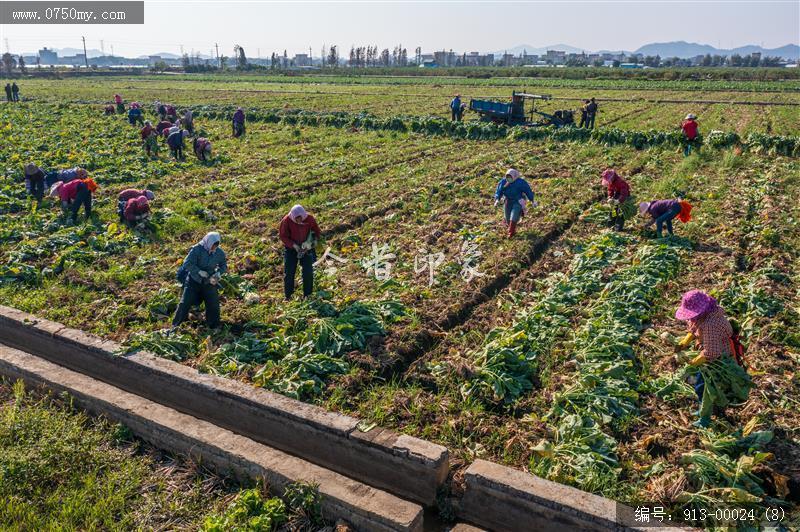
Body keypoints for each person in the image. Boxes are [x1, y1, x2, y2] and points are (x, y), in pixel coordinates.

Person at [674, 290, 752, 428]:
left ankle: (705, 418)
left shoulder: (711, 324)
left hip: (719, 360)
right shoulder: (705, 315)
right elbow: (694, 329)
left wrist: (693, 362)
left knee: (706, 388)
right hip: (711, 354)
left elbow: (711, 352)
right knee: (701, 385)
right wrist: (684, 342)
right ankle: (701, 410)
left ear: (702, 311)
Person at [172, 232, 227, 329]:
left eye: (216, 245)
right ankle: (176, 325)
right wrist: (199, 271)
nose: (214, 248)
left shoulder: (219, 253)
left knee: (213, 302)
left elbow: (223, 265)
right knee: (185, 302)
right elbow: (187, 263)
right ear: (208, 242)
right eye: (213, 245)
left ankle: (213, 325)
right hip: (194, 281)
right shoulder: (197, 249)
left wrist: (218, 273)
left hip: (209, 281)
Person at [279, 205, 321, 300]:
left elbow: (316, 232)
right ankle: (289, 296)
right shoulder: (286, 220)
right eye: (297, 219)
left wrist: (310, 244)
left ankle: (307, 295)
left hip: (306, 247)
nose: (299, 221)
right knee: (289, 272)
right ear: (293, 217)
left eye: (301, 219)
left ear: (303, 215)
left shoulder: (309, 219)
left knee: (308, 271)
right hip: (291, 248)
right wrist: (294, 246)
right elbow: (283, 236)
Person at [494, 168, 535, 238]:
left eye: (510, 177)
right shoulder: (503, 182)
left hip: (518, 201)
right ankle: (511, 228)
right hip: (508, 201)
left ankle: (511, 233)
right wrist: (497, 199)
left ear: (515, 176)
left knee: (514, 216)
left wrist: (532, 200)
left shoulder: (520, 182)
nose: (508, 179)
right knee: (508, 218)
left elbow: (527, 190)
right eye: (507, 177)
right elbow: (499, 191)